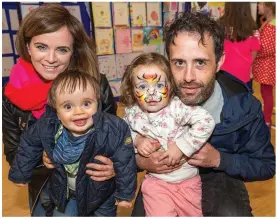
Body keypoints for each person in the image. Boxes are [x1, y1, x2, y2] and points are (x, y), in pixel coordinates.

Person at [131, 12, 275, 217]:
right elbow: (121, 146)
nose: (189, 77)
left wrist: (219, 159)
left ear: (219, 62)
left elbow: (266, 165)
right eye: (179, 63)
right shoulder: (151, 100)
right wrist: (141, 161)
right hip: (163, 180)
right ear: (167, 62)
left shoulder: (243, 107)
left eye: (200, 63)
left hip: (219, 175)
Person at [3, 4, 117, 216]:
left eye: (62, 49)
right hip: (46, 190)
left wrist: (114, 165)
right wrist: (43, 157)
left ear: (73, 51)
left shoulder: (95, 84)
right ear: (28, 46)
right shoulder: (11, 95)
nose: (51, 59)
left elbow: (116, 138)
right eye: (42, 47)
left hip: (93, 187)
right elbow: (13, 154)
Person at [8, 70, 137, 216]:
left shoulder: (113, 128)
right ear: (56, 110)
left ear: (98, 102)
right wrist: (20, 173)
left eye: (86, 103)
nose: (78, 112)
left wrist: (125, 194)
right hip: (65, 192)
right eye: (68, 106)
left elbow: (125, 160)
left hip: (102, 194)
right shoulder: (47, 125)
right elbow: (29, 144)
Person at [121, 52, 215, 216]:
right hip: (156, 184)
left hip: (188, 183)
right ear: (131, 89)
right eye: (143, 87)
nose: (151, 93)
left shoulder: (178, 107)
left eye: (158, 86)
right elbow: (121, 132)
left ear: (170, 86)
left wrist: (181, 147)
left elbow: (206, 121)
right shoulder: (132, 113)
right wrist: (137, 140)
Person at [219, 2, 260, 90]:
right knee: (243, 101)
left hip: (223, 75)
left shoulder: (220, 26)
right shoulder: (253, 29)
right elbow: (254, 53)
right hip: (244, 76)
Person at [252, 2, 276, 129]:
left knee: (267, 93)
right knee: (264, 92)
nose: (258, 6)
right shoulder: (269, 22)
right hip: (266, 64)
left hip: (267, 65)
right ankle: (266, 117)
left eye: (260, 4)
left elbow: (267, 48)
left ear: (268, 7)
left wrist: (252, 51)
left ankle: (267, 120)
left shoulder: (273, 26)